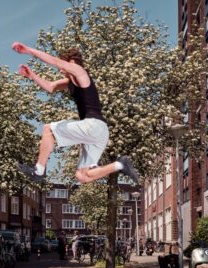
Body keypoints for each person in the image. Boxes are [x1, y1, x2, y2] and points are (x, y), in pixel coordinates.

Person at [11, 42, 139, 185]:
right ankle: (120, 165)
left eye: (64, 66)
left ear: (71, 62)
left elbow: (55, 62)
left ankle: (39, 171)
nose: (60, 70)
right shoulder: (70, 81)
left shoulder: (80, 72)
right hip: (99, 132)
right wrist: (31, 75)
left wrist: (28, 50)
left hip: (93, 125)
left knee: (48, 129)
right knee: (82, 176)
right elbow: (51, 87)